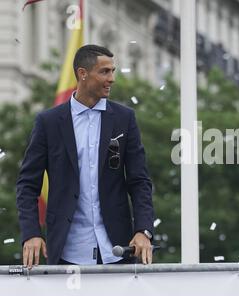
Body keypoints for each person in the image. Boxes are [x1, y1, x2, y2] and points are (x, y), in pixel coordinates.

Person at [16, 44, 155, 267]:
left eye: (113, 71)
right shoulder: (48, 122)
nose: (112, 79)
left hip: (118, 250)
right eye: (105, 71)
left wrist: (143, 230)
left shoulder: (125, 119)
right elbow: (27, 185)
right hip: (66, 251)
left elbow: (139, 182)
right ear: (82, 74)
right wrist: (31, 233)